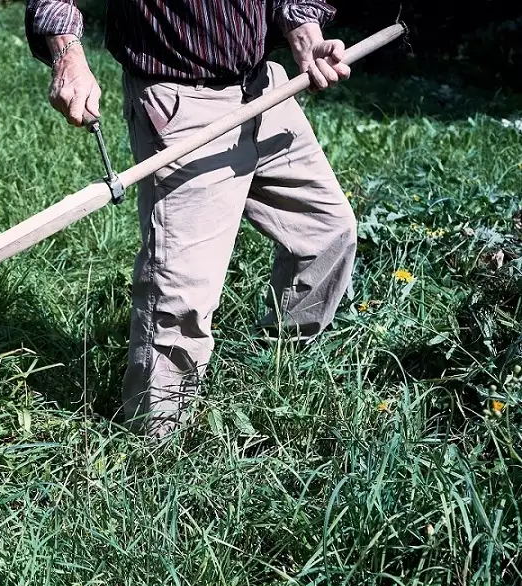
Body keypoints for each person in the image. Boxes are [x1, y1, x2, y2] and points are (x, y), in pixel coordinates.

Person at [24, 0, 356, 438]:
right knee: (181, 295)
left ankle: (276, 371)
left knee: (327, 231)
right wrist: (67, 55)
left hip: (264, 88)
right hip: (182, 101)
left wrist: (304, 29)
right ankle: (155, 446)